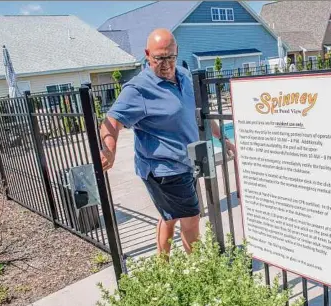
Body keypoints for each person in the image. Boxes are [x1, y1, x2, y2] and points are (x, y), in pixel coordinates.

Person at [99, 28, 236, 256]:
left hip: (186, 162)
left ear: (177, 52)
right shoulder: (138, 89)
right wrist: (109, 149)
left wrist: (223, 138)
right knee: (191, 218)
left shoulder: (183, 75)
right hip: (164, 168)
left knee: (170, 217)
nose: (166, 64)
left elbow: (198, 113)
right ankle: (200, 271)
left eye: (170, 57)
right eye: (159, 58)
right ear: (147, 54)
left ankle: (164, 268)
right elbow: (111, 121)